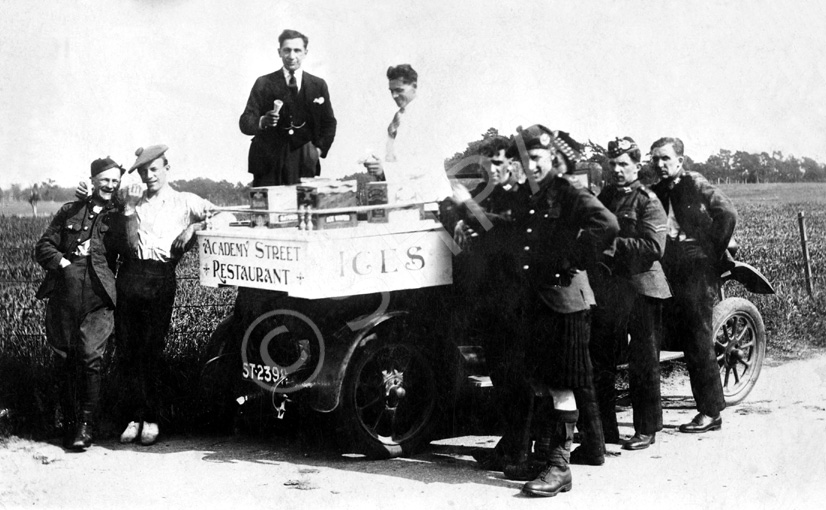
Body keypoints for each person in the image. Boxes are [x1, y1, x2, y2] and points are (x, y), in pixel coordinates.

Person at [503, 126, 618, 497]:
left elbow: (608, 224)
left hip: (565, 304)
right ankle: (545, 457)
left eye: (537, 158)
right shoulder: (527, 194)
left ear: (552, 158)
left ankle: (560, 466)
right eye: (526, 160)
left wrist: (573, 257)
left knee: (563, 384)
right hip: (537, 303)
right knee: (541, 381)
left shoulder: (568, 191)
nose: (531, 165)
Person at [114, 144, 215, 445]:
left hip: (160, 276)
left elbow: (219, 216)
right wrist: (128, 210)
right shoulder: (133, 203)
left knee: (151, 349)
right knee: (128, 349)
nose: (149, 176)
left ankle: (153, 418)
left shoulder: (185, 202)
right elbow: (128, 245)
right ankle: (134, 417)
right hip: (130, 274)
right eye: (144, 172)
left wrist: (195, 227)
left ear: (167, 168)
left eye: (154, 169)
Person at [35, 157, 125, 450]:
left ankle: (86, 426)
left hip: (98, 298)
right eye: (105, 180)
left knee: (89, 357)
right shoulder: (70, 211)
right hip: (65, 296)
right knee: (64, 359)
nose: (110, 186)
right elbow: (43, 247)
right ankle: (70, 424)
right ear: (93, 180)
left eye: (115, 181)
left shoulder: (120, 213)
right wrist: (62, 262)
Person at [588, 137, 671, 453]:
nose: (618, 169)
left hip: (642, 289)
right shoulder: (607, 196)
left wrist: (611, 247)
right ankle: (604, 431)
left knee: (643, 360)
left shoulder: (647, 201)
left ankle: (647, 429)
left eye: (624, 164)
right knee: (602, 359)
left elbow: (654, 248)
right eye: (614, 164)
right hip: (611, 290)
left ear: (637, 167)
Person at [650, 137, 737, 433]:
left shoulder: (696, 182)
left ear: (680, 161)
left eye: (665, 159)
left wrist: (709, 252)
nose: (660, 165)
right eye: (655, 159)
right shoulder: (658, 190)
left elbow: (727, 214)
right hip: (670, 267)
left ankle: (711, 412)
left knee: (698, 338)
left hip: (697, 269)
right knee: (671, 334)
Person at [239, 29, 337, 186]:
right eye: (287, 50)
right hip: (267, 163)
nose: (292, 56)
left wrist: (316, 152)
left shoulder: (318, 85)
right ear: (279, 52)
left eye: (297, 50)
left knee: (304, 209)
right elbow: (245, 122)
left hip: (304, 163)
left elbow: (329, 123)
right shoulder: (263, 83)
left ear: (305, 52)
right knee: (270, 208)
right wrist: (263, 120)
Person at [362, 64, 452, 204]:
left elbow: (428, 161)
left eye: (399, 90)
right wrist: (378, 163)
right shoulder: (398, 117)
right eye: (391, 91)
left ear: (414, 86)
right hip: (410, 198)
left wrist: (385, 169)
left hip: (433, 199)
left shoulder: (426, 114)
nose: (394, 96)